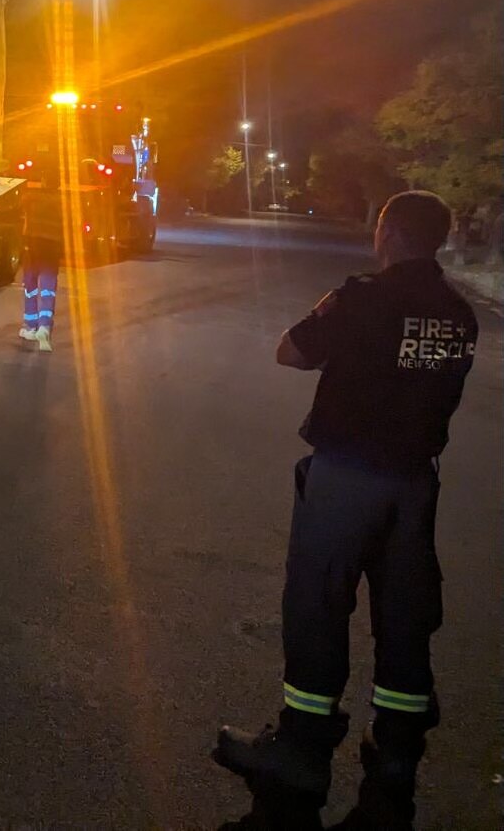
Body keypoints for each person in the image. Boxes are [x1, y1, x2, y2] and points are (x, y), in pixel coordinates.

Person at [214, 191, 478, 829]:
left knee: (317, 608)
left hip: (348, 479)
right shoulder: (458, 314)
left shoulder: (364, 296)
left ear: (386, 231)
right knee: (407, 620)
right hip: (414, 487)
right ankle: (395, 764)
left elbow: (293, 350)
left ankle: (301, 750)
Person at [19, 166, 65, 352]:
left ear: (44, 181)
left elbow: (20, 210)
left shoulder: (32, 197)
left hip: (32, 246)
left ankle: (31, 327)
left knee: (30, 287)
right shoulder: (63, 202)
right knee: (48, 288)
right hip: (52, 248)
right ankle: (45, 326)